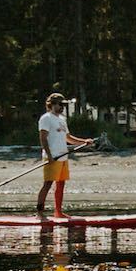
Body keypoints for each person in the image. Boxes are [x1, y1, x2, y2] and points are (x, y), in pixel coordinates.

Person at [35, 92, 96, 222]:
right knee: (47, 184)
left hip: (63, 157)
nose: (62, 107)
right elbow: (43, 138)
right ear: (52, 105)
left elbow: (68, 138)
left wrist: (84, 141)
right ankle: (40, 213)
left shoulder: (62, 120)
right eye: (60, 104)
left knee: (61, 184)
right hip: (52, 157)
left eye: (63, 104)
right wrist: (49, 155)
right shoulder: (46, 118)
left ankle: (58, 212)